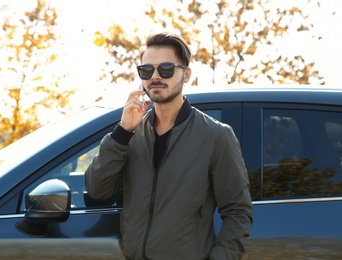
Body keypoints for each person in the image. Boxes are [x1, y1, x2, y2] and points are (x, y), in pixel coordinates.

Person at [85, 32, 253, 259]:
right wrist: (122, 133)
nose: (155, 77)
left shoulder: (216, 136)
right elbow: (97, 190)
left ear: (186, 75)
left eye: (166, 69)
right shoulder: (130, 134)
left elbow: (238, 211)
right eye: (146, 70)